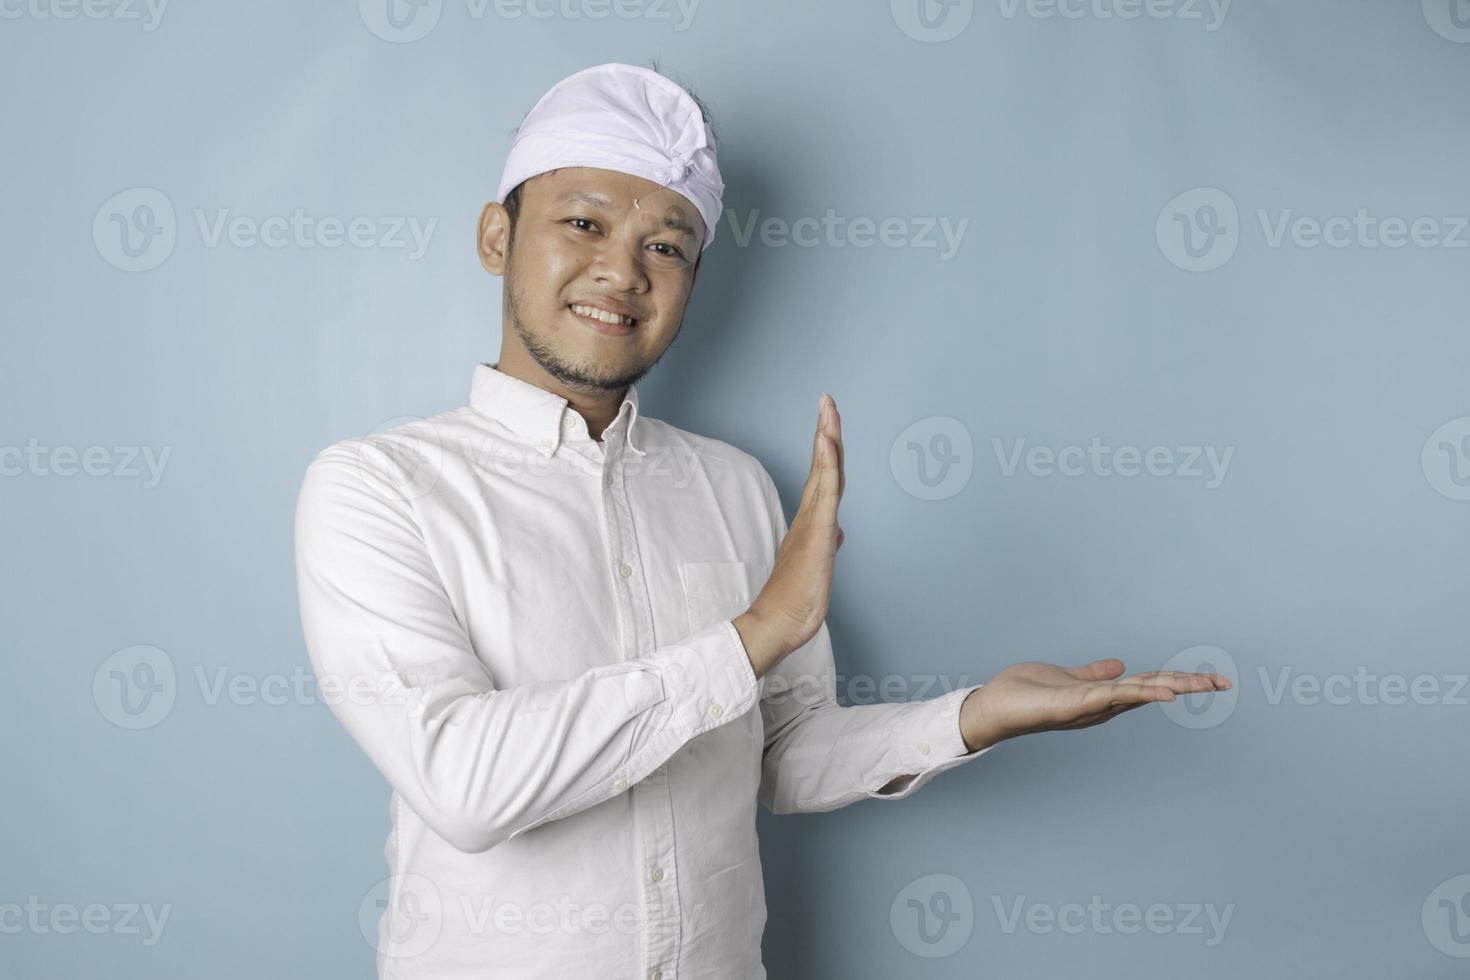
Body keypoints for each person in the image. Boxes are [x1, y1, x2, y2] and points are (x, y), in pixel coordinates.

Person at [292, 61, 1230, 979]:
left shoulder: (732, 485)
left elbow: (780, 753)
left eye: (667, 245)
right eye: (583, 222)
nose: (621, 272)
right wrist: (752, 636)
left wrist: (972, 718)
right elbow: (463, 784)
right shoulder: (377, 489)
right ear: (497, 236)